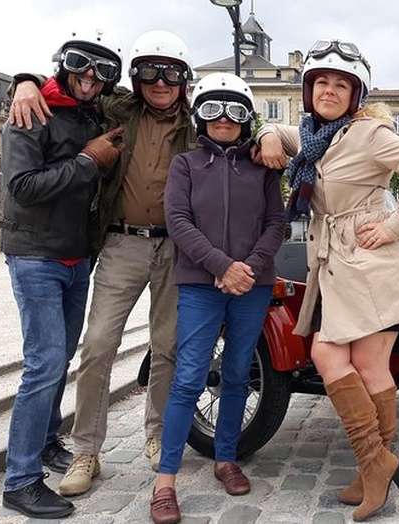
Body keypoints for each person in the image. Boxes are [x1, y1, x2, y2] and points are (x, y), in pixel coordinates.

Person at [9, 30, 199, 496]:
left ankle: (157, 436)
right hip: (122, 242)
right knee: (96, 346)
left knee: (167, 346)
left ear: (185, 80)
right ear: (135, 77)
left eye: (170, 72)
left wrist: (273, 135)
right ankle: (86, 449)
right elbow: (74, 83)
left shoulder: (199, 124)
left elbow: (243, 126)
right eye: (149, 71)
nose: (159, 81)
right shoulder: (114, 108)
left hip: (176, 247)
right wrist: (25, 80)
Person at [257, 39, 399, 522]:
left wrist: (397, 224)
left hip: (373, 264)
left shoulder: (366, 133)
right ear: (308, 89)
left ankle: (374, 466)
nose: (330, 90)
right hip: (338, 264)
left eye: (342, 84)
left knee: (347, 360)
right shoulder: (315, 135)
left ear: (356, 94)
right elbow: (277, 130)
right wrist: (270, 136)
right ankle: (374, 465)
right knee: (351, 360)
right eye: (322, 82)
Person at [147, 72, 286, 524]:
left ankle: (226, 458)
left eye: (233, 110)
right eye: (212, 109)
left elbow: (275, 222)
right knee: (188, 378)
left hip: (252, 284)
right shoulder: (185, 165)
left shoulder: (263, 170)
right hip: (202, 284)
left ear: (246, 120)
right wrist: (221, 266)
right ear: (199, 116)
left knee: (237, 375)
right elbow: (178, 220)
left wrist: (248, 267)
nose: (223, 119)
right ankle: (165, 479)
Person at [0, 29, 124, 519]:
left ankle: (48, 443)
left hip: (77, 256)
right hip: (35, 255)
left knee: (62, 356)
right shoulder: (31, 113)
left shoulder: (93, 109)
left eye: (103, 71)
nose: (91, 77)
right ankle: (20, 479)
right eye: (81, 64)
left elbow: (149, 91)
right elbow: (24, 187)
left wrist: (23, 78)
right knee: (45, 362)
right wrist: (88, 161)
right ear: (61, 63)